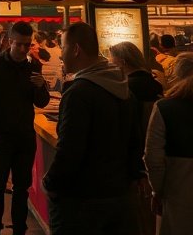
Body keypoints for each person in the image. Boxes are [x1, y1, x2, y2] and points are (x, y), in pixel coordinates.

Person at [42, 21, 142, 235]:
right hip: (120, 198)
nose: (60, 54)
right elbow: (135, 142)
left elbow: (70, 149)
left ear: (76, 49)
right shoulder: (124, 90)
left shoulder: (79, 93)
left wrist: (51, 183)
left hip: (82, 201)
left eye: (64, 47)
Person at [0, 20, 50, 235]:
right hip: (0, 137)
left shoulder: (33, 66)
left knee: (21, 188)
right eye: (19, 44)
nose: (24, 49)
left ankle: (19, 228)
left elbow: (41, 102)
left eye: (27, 45)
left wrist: (40, 87)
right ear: (9, 42)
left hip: (24, 137)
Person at [109, 41, 163, 235]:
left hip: (134, 161)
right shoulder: (155, 84)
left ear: (122, 62)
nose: (110, 64)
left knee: (136, 217)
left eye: (112, 61)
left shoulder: (125, 88)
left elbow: (127, 130)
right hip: (155, 155)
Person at [144, 51, 193, 235]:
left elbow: (153, 157)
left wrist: (157, 190)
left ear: (177, 75)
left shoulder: (165, 107)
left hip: (178, 190)